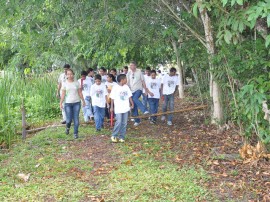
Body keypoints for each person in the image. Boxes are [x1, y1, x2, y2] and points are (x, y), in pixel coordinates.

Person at [60, 69, 86, 139]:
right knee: (68, 120)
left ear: (73, 74)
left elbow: (80, 92)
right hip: (68, 104)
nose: (70, 75)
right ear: (66, 75)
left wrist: (83, 101)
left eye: (71, 74)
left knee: (76, 119)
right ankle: (67, 128)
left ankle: (75, 133)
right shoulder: (64, 83)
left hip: (76, 103)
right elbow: (63, 94)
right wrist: (60, 103)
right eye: (68, 74)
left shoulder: (76, 82)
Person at [110, 74, 134, 143]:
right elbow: (112, 98)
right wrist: (112, 107)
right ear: (122, 80)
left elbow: (129, 96)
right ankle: (114, 135)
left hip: (126, 107)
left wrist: (132, 103)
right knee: (119, 122)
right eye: (126, 79)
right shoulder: (115, 87)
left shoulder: (126, 87)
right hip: (118, 108)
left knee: (124, 123)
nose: (127, 80)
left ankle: (122, 137)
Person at [126, 61, 149, 126]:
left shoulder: (139, 72)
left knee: (135, 98)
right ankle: (137, 120)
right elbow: (127, 82)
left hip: (138, 89)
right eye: (130, 65)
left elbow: (143, 81)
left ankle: (144, 110)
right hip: (131, 90)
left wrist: (146, 90)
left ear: (135, 66)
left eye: (132, 65)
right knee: (134, 105)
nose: (131, 67)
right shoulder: (129, 73)